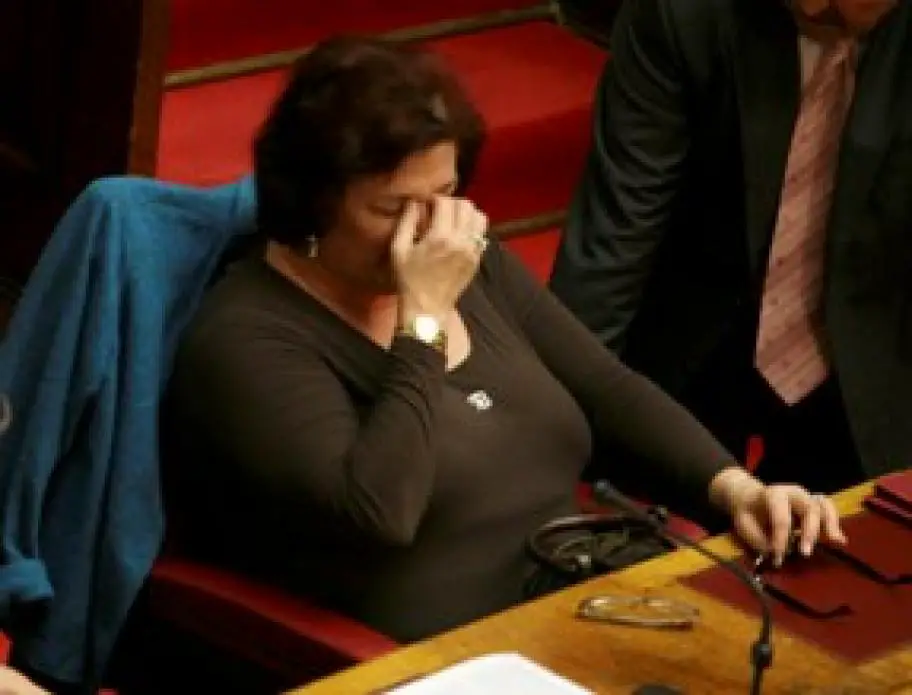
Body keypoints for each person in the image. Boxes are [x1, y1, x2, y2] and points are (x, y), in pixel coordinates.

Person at [162, 36, 845, 644]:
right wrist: (423, 319)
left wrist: (734, 488)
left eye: (445, 195)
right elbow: (377, 512)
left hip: (590, 597)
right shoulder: (243, 337)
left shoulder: (472, 261)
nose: (430, 231)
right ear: (310, 205)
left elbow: (605, 389)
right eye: (393, 209)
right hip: (449, 659)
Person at [550, 0, 911, 495]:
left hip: (878, 346)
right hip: (695, 329)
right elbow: (615, 236)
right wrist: (550, 423)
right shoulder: (682, 13)